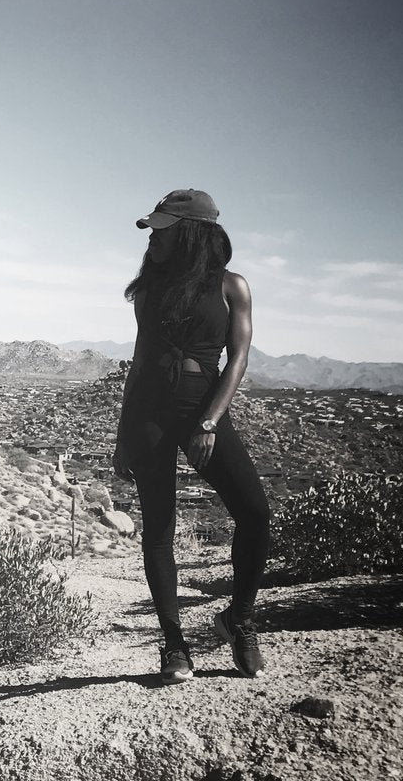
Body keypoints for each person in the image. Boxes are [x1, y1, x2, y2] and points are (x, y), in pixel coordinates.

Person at [113, 188, 270, 684]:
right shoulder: (149, 288)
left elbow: (238, 359)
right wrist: (123, 434)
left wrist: (209, 420)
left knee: (255, 513)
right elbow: (139, 362)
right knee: (159, 528)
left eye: (163, 227)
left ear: (192, 233)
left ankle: (238, 619)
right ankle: (174, 645)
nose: (153, 236)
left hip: (203, 406)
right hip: (149, 413)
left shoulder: (232, 287)